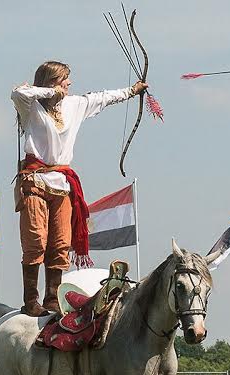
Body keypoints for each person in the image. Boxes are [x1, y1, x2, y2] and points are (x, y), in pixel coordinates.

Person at [11, 60, 147, 316]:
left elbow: (103, 97)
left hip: (62, 184)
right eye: (64, 80)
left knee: (61, 244)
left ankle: (52, 299)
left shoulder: (74, 105)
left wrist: (132, 90)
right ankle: (31, 301)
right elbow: (18, 92)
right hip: (35, 181)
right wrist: (50, 92)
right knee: (36, 243)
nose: (69, 84)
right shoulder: (30, 107)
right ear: (51, 82)